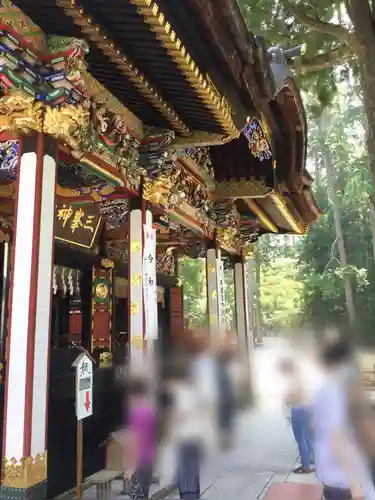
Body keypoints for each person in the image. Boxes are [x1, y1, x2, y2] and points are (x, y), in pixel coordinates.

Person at [312, 339, 375, 500]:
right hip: (344, 481)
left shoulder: (324, 388)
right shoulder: (334, 390)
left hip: (333, 477)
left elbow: (316, 427)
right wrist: (356, 485)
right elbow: (337, 438)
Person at [165, 360, 206, 500]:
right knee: (193, 468)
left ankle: (188, 495)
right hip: (196, 436)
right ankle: (194, 494)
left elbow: (176, 415)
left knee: (184, 469)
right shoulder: (195, 390)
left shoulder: (178, 393)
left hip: (183, 436)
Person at [279, 357, 314, 474]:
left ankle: (305, 466)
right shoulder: (302, 377)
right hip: (307, 409)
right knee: (307, 438)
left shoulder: (294, 380)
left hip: (298, 410)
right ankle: (311, 460)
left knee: (301, 439)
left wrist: (287, 398)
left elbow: (294, 396)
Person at [124, 377, 156, 500]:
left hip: (139, 462)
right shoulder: (151, 411)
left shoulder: (136, 414)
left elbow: (136, 441)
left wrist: (131, 466)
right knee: (144, 493)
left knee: (137, 495)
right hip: (149, 459)